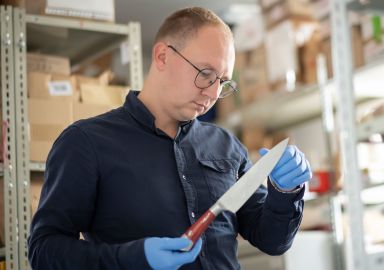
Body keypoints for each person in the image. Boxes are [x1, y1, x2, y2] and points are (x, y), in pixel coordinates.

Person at [28, 6, 312, 270]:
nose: (213, 93)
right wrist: (133, 258)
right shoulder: (85, 143)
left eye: (223, 81)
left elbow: (272, 241)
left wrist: (286, 193)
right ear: (162, 56)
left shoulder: (226, 146)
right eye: (205, 73)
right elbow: (43, 251)